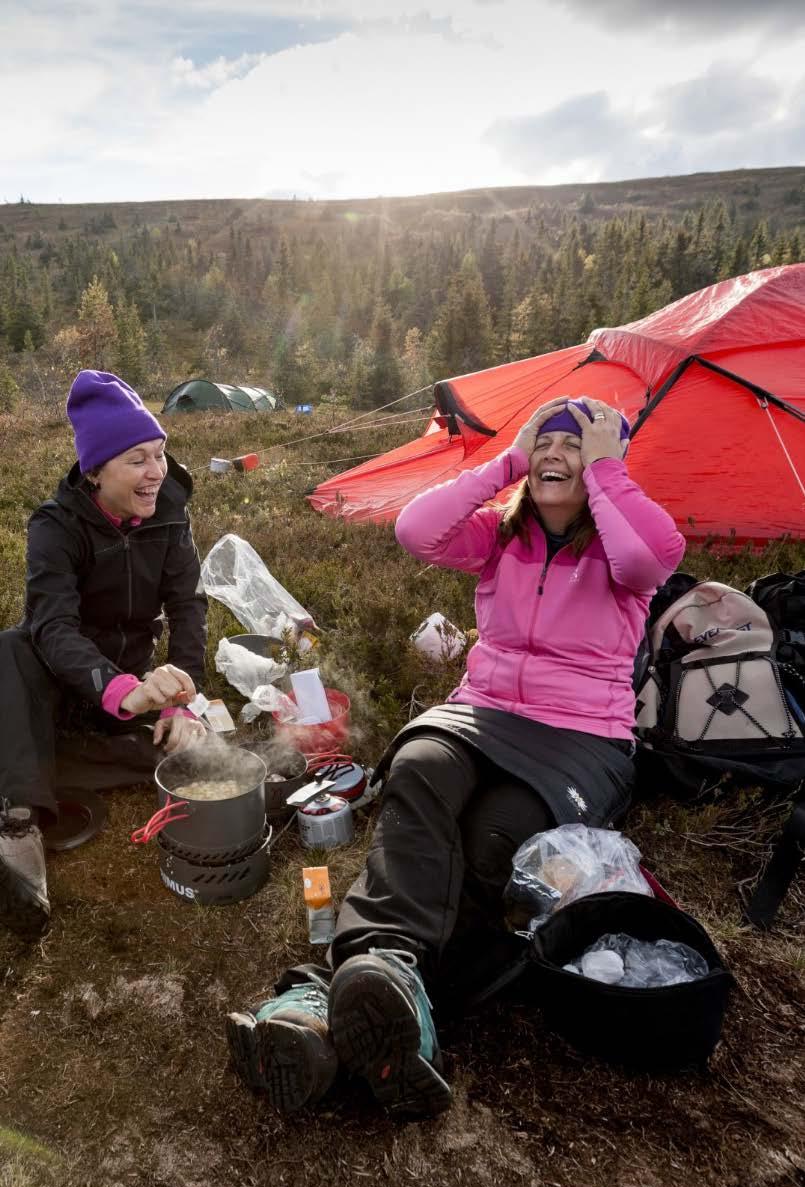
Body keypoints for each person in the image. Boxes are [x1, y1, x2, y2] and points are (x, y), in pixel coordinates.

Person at [226, 395, 686, 1119]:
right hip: (479, 710)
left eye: (576, 443)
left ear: (606, 459)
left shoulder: (621, 552)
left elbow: (651, 554)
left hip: (580, 736)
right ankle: (386, 979)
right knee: (417, 774)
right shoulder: (500, 537)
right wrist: (507, 455)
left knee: (492, 836)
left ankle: (323, 998)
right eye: (544, 441)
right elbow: (415, 528)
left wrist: (604, 467)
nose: (553, 454)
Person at [0, 370, 208, 939]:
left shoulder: (169, 512)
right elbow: (53, 627)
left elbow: (187, 606)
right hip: (67, 683)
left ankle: (47, 763)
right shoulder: (56, 526)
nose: (156, 472)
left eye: (160, 453)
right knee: (12, 647)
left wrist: (179, 702)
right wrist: (121, 689)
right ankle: (20, 829)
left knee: (185, 749)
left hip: (126, 688)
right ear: (96, 471)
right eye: (137, 458)